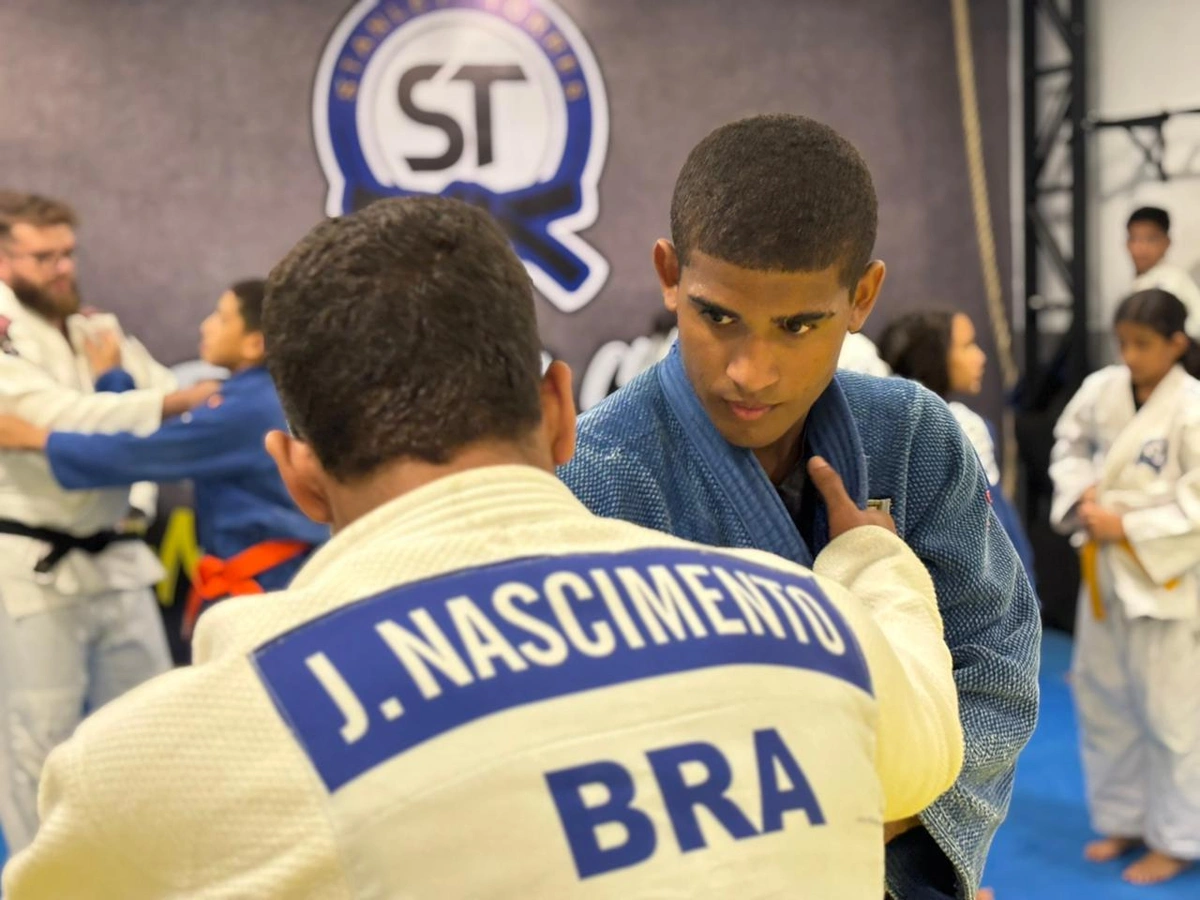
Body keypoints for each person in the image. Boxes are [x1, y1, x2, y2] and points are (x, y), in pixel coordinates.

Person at [2, 197, 964, 898]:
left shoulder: (163, 762)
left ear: (297, 474)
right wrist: (869, 562)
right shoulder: (814, 625)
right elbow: (927, 753)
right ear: (558, 411)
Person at [559, 114, 1041, 900]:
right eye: (718, 317)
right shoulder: (593, 477)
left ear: (862, 297)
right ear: (669, 274)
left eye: (798, 326)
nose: (751, 370)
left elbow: (995, 664)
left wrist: (890, 832)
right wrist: (822, 838)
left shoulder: (916, 437)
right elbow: (586, 759)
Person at [0, 192, 217, 858]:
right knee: (39, 745)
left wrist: (138, 496)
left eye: (67, 252)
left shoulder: (96, 326)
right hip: (31, 570)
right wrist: (173, 396)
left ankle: (148, 877)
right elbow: (71, 416)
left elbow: (148, 427)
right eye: (43, 256)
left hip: (119, 559)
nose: (62, 268)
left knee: (152, 729)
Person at [0, 279, 329, 640]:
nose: (206, 326)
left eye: (221, 318)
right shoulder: (263, 394)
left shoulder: (243, 410)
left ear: (254, 343)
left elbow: (137, 453)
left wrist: (37, 437)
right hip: (284, 581)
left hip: (270, 591)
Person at [1049, 288, 1200, 886]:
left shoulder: (1192, 407)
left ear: (1176, 345)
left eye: (1143, 345)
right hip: (1105, 574)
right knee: (1103, 699)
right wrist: (1082, 492)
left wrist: (1130, 525)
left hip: (1166, 582)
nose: (1129, 356)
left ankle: (1179, 836)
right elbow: (1068, 446)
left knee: (1170, 714)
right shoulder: (1102, 389)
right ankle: (1125, 817)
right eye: (1123, 343)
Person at [878, 310, 1035, 583]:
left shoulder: (963, 423)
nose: (980, 357)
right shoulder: (958, 426)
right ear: (932, 357)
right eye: (967, 346)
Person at [1126, 206, 1200, 336]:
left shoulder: (1172, 281)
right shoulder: (1141, 282)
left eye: (1150, 239)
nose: (1141, 247)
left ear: (1167, 242)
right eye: (1134, 239)